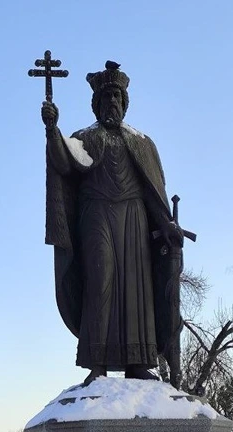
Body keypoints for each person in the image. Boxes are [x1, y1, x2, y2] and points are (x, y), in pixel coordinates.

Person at [42, 61, 183, 386]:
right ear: (96, 104)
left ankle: (138, 362)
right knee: (100, 279)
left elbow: (151, 190)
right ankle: (97, 362)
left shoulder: (142, 142)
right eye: (106, 98)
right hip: (97, 216)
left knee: (137, 288)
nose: (112, 103)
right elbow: (64, 163)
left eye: (117, 98)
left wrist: (166, 223)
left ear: (125, 103)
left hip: (135, 220)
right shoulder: (85, 138)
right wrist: (52, 130)